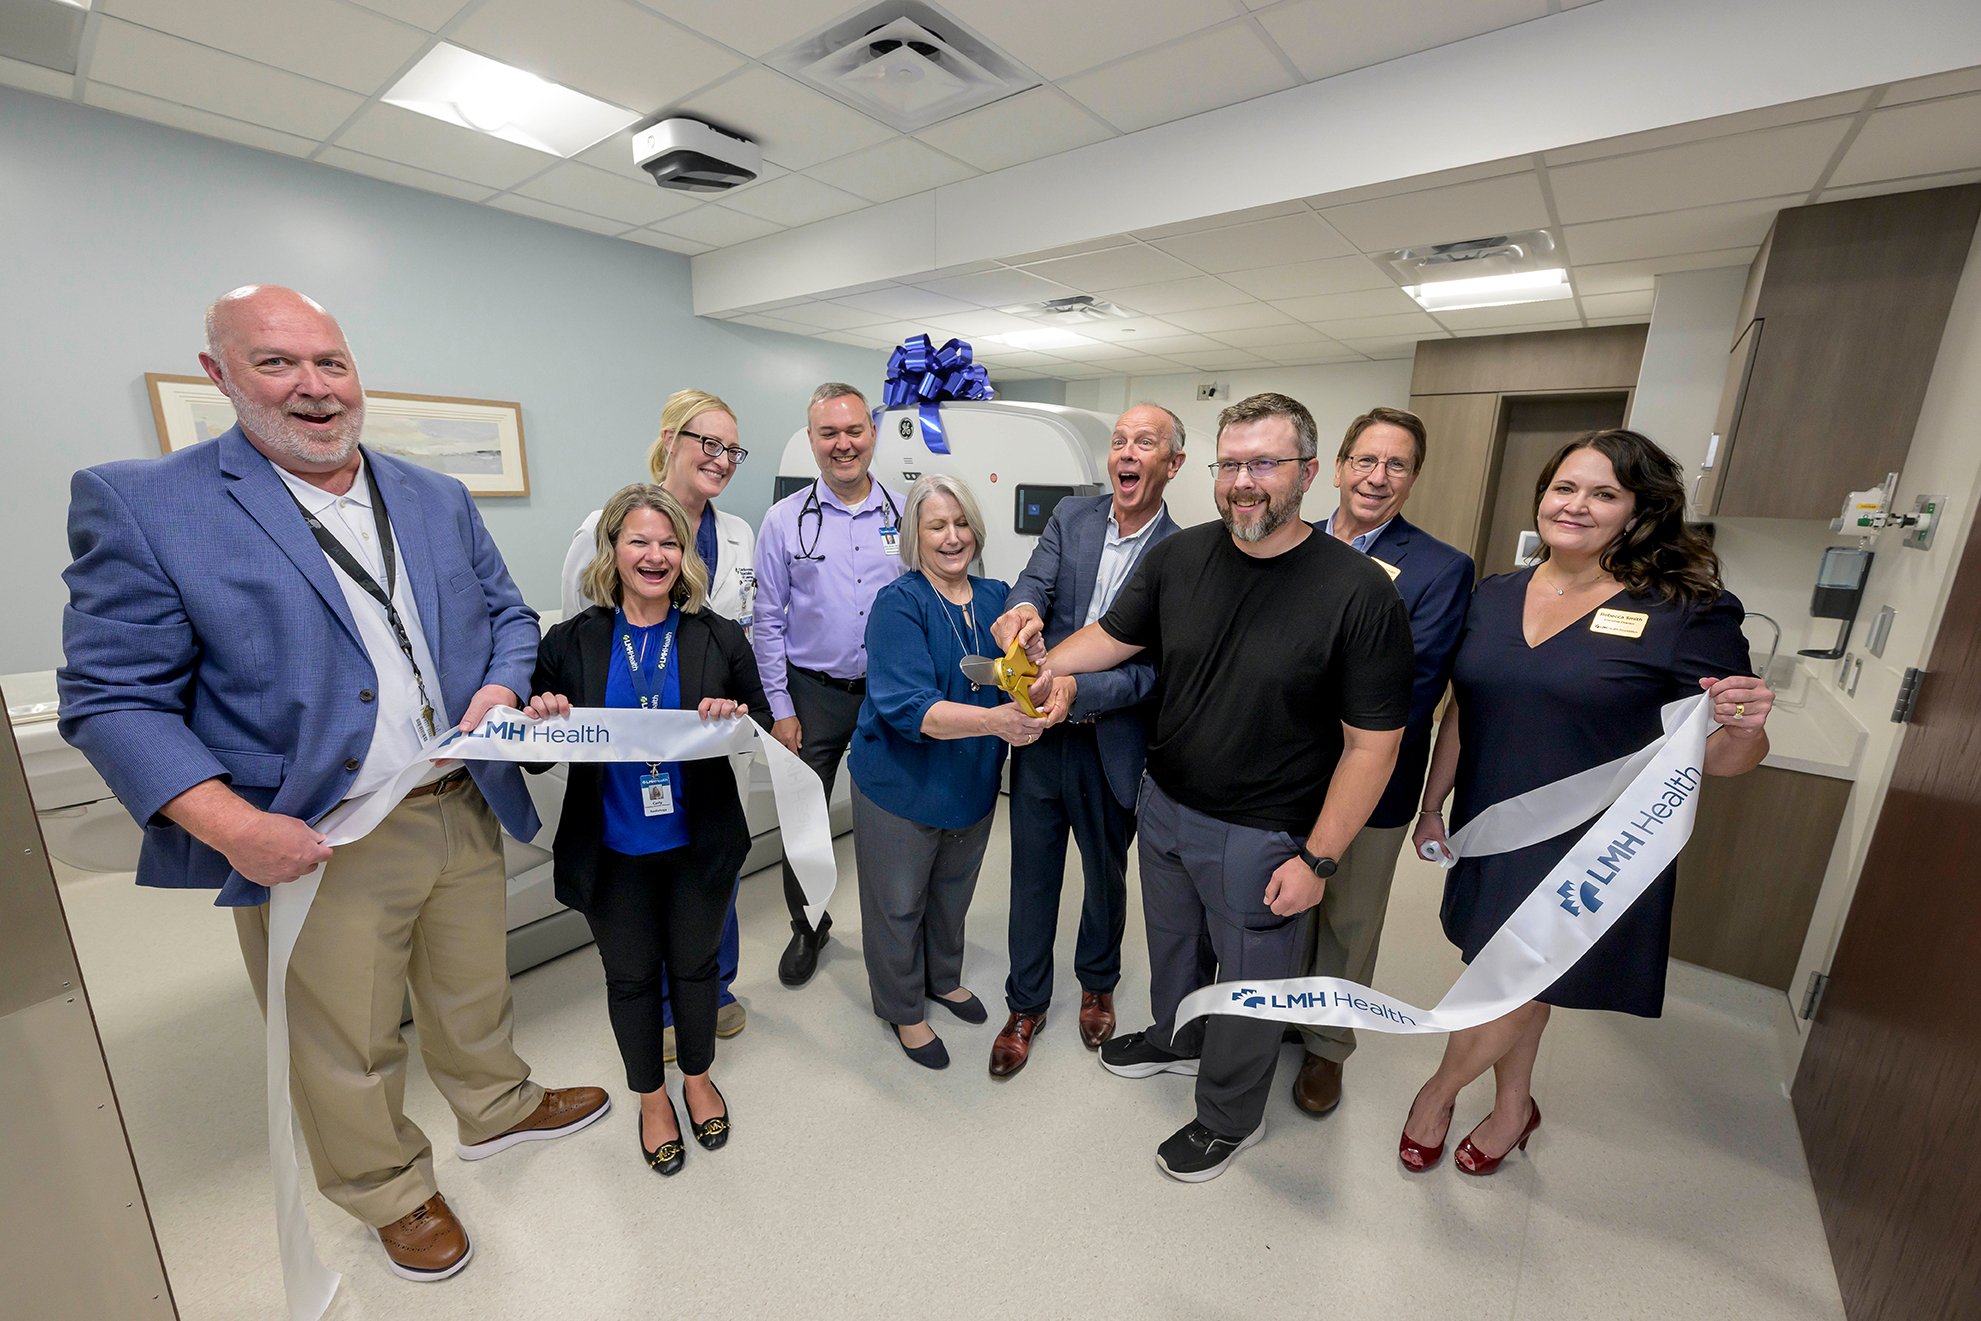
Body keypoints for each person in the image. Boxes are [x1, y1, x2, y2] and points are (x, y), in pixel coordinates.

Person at [58, 285, 606, 1283]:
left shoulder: (431, 495)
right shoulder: (150, 504)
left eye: (330, 361)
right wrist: (230, 825)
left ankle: (498, 1107)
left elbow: (508, 615)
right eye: (275, 363)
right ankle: (388, 1187)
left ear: (357, 374)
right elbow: (110, 696)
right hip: (322, 828)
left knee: (472, 984)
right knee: (343, 1035)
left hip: (459, 797)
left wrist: (498, 683)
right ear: (219, 376)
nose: (311, 387)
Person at [1034, 392, 1414, 1181]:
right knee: (1171, 947)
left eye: (1264, 463)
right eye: (1231, 464)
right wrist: (1041, 669)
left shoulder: (1358, 591)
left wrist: (1316, 860)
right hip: (1166, 803)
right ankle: (1177, 1038)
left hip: (1265, 831)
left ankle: (1228, 1116)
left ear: (1308, 473)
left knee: (1249, 985)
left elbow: (1371, 747)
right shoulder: (1180, 557)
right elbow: (1112, 636)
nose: (1244, 482)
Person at [1402, 429, 1775, 1176]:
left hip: (1592, 845)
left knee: (1507, 979)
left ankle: (1435, 1094)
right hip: (1497, 819)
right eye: (1563, 487)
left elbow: (1729, 758)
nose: (1575, 505)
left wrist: (1745, 726)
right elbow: (1466, 711)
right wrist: (1434, 801)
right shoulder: (1496, 594)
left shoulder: (1685, 611)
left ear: (1639, 512)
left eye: (1603, 493)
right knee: (1515, 975)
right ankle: (1514, 1107)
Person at [529, 484, 769, 1175]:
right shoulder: (570, 642)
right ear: (612, 550)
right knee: (631, 980)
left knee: (695, 970)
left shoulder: (714, 635)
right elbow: (537, 750)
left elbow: (754, 725)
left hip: (699, 846)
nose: (655, 555)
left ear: (684, 556)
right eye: (638, 540)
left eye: (668, 543)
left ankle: (697, 1078)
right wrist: (543, 712)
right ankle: (651, 1095)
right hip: (612, 852)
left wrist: (730, 714)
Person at [985, 404, 1187, 1078]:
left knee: (1105, 877)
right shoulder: (1072, 518)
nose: (1127, 453)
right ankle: (1025, 1002)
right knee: (1031, 875)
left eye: (1145, 442)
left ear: (1172, 463)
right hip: (1041, 739)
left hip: (1113, 742)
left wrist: (1082, 690)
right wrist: (1021, 607)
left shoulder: (1183, 554)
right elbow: (1035, 580)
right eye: (1120, 441)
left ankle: (1097, 981)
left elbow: (1153, 671)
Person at [1291, 407, 1473, 1117]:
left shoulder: (1438, 568)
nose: (1376, 477)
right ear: (1335, 467)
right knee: (1278, 904)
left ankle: (1325, 1048)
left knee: (1348, 916)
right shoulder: (1288, 540)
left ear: (1412, 478)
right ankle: (1272, 1016)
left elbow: (1412, 681)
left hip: (1374, 777)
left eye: (1395, 464)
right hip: (1277, 774)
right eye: (1364, 460)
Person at [561, 389, 755, 1052]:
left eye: (733, 449)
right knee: (641, 907)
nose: (723, 459)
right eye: (711, 443)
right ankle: (666, 1006)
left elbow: (747, 642)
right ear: (670, 439)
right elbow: (578, 633)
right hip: (622, 772)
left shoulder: (737, 534)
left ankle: (712, 988)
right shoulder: (605, 523)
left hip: (703, 762)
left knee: (709, 877)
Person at [848, 474, 1048, 1069]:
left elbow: (1020, 670)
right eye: (937, 525)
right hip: (901, 785)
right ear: (915, 535)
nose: (952, 536)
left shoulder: (996, 598)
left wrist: (1039, 663)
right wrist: (998, 724)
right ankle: (904, 1008)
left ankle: (943, 977)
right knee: (898, 903)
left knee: (951, 895)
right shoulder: (899, 603)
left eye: (961, 523)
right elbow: (913, 709)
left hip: (971, 783)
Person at [752, 382, 906, 987]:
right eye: (828, 434)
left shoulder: (905, 514)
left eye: (854, 431)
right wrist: (780, 708)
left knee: (892, 818)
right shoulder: (784, 521)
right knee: (805, 821)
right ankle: (806, 925)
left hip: (887, 694)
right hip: (810, 695)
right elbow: (767, 621)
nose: (843, 445)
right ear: (812, 441)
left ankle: (894, 928)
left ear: (871, 433)